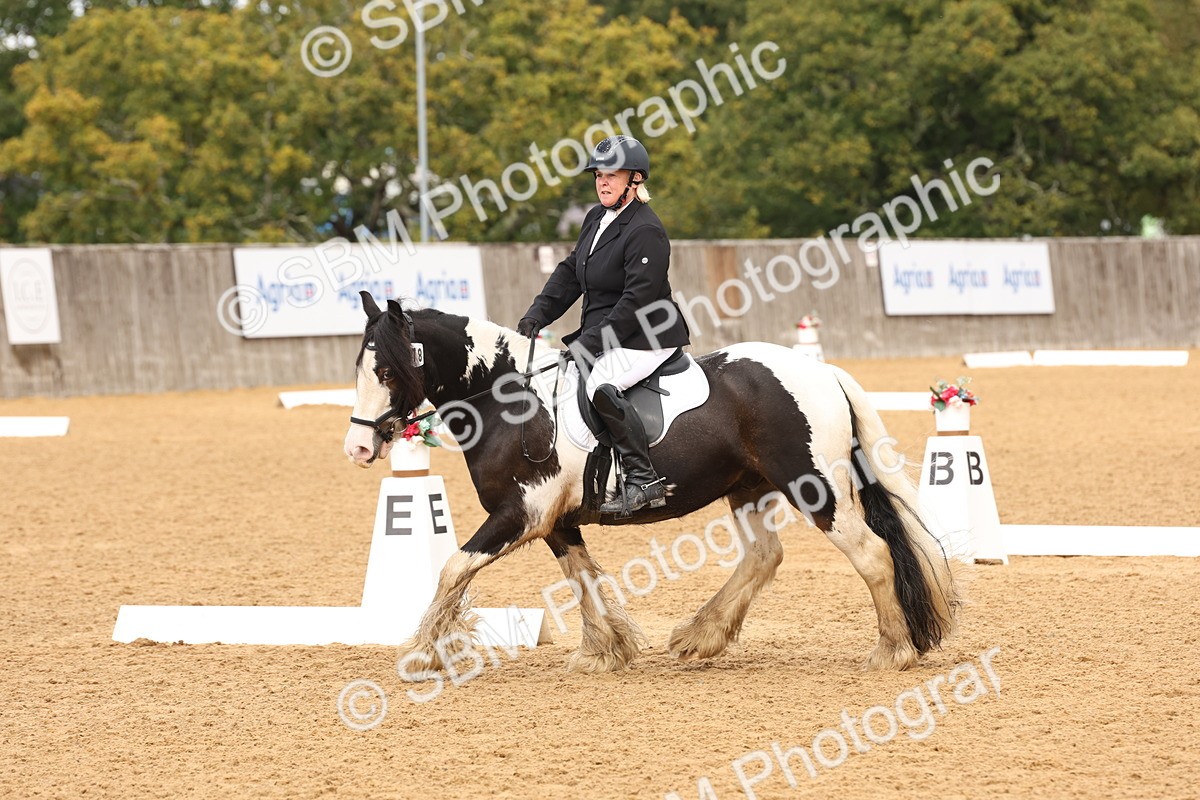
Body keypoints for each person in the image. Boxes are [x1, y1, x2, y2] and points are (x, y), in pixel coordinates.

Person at [517, 135, 690, 514]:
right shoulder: (597, 217)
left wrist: (591, 343)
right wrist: (537, 314)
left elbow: (635, 302)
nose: (603, 182)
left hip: (645, 335)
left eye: (612, 174)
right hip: (610, 331)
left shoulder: (646, 230)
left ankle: (643, 479)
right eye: (598, 174)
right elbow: (570, 272)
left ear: (636, 179)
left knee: (600, 384)